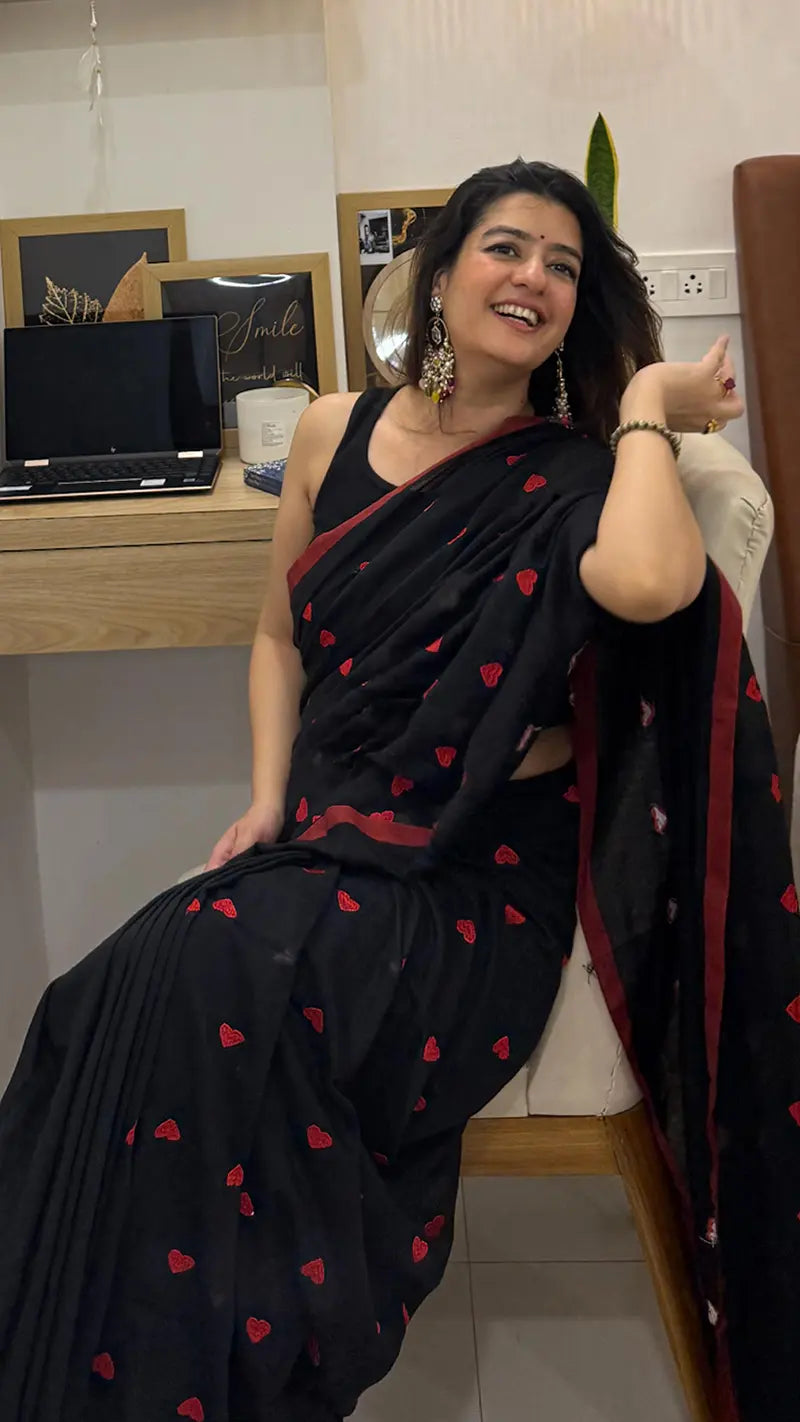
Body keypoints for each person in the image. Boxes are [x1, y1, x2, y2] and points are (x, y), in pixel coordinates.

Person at [0, 160, 797, 1422]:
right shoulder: (328, 427)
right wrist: (264, 801)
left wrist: (645, 397)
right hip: (324, 835)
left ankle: (204, 1371)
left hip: (468, 876)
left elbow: (650, 587)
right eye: (502, 247)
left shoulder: (578, 470)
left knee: (212, 964)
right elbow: (275, 637)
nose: (530, 276)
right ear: (438, 276)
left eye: (561, 263)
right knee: (105, 996)